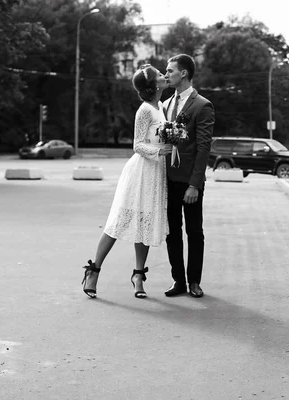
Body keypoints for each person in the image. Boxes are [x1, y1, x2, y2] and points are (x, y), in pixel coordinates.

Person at [81, 65, 172, 299]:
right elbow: (137, 144)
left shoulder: (160, 106)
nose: (164, 75)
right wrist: (160, 151)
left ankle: (138, 276)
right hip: (141, 171)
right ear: (152, 85)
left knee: (145, 222)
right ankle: (94, 271)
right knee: (119, 221)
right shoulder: (144, 110)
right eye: (159, 75)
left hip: (155, 175)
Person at [162, 54, 215, 298]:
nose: (167, 74)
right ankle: (178, 281)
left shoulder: (202, 105)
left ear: (183, 73)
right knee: (172, 231)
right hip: (168, 179)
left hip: (190, 182)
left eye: (170, 70)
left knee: (194, 231)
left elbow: (203, 147)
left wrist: (195, 184)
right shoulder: (165, 103)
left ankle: (194, 281)